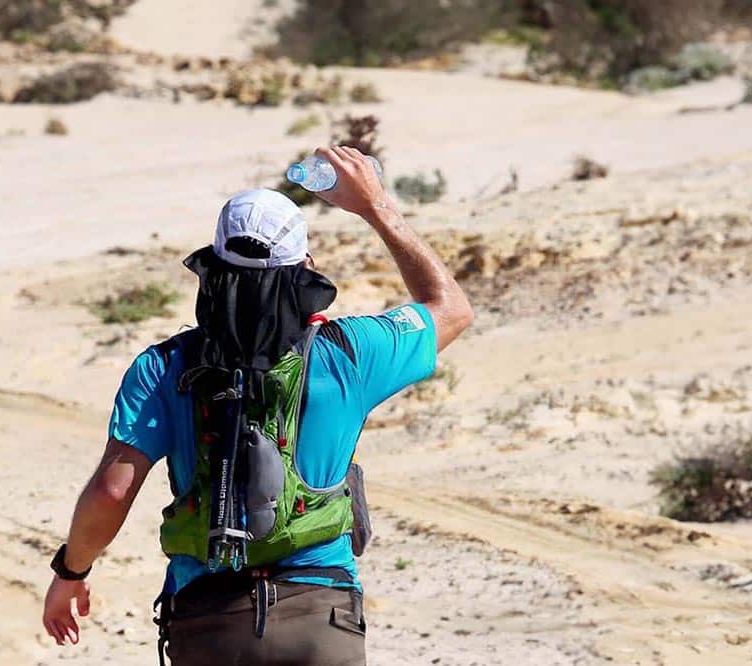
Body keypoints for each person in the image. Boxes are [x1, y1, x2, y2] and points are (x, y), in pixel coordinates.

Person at [41, 146, 474, 665]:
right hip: (322, 616)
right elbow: (451, 308)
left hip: (207, 620)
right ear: (305, 270)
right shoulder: (353, 353)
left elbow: (113, 492)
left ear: (212, 267)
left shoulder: (163, 367)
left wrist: (72, 573)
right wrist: (375, 206)